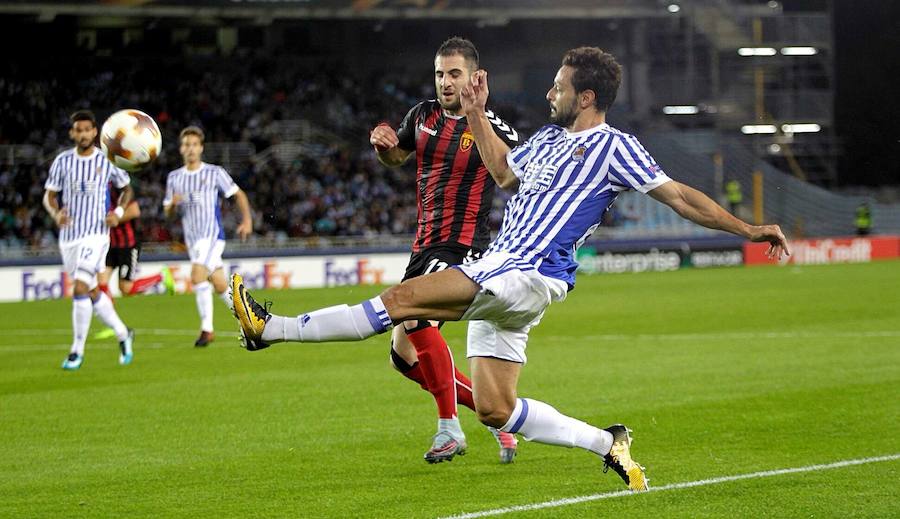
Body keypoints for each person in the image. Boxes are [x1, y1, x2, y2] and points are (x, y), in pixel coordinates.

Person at [229, 47, 790, 492]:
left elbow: (681, 198)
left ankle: (268, 329)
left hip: (523, 271)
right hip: (505, 272)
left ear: (587, 96)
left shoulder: (614, 146)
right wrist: (475, 110)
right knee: (497, 409)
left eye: (560, 86)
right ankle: (607, 442)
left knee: (401, 304)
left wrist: (749, 229)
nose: (550, 92)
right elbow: (502, 173)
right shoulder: (546, 140)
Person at [368, 36, 520, 464]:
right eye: (439, 73)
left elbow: (519, 177)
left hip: (464, 247)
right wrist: (384, 147)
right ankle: (501, 421)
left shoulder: (492, 127)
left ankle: (448, 428)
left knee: (415, 316)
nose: (445, 82)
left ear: (474, 78)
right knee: (402, 357)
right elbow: (398, 157)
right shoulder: (421, 116)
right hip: (424, 245)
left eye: (454, 74)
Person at [42, 110, 136, 370]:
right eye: (78, 130)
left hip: (96, 236)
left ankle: (76, 351)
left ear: (95, 132)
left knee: (81, 288)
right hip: (69, 238)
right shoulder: (62, 161)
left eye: (87, 129)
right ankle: (123, 333)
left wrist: (117, 212)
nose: (82, 134)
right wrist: (55, 212)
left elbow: (126, 189)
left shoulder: (107, 160)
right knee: (92, 291)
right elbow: (49, 195)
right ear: (73, 133)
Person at [164, 126, 253, 347]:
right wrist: (172, 206)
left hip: (212, 235)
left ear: (201, 148)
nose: (191, 149)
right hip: (192, 240)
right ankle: (250, 320)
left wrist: (247, 221)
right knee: (220, 283)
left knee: (197, 276)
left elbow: (238, 194)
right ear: (181, 149)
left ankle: (207, 329)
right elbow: (167, 213)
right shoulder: (174, 178)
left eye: (194, 144)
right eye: (187, 145)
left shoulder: (214, 172)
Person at [97, 186, 175, 300]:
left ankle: (161, 277)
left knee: (125, 288)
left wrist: (115, 219)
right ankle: (109, 312)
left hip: (128, 245)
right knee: (101, 281)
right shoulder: (97, 190)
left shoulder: (117, 188)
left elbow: (135, 210)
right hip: (110, 244)